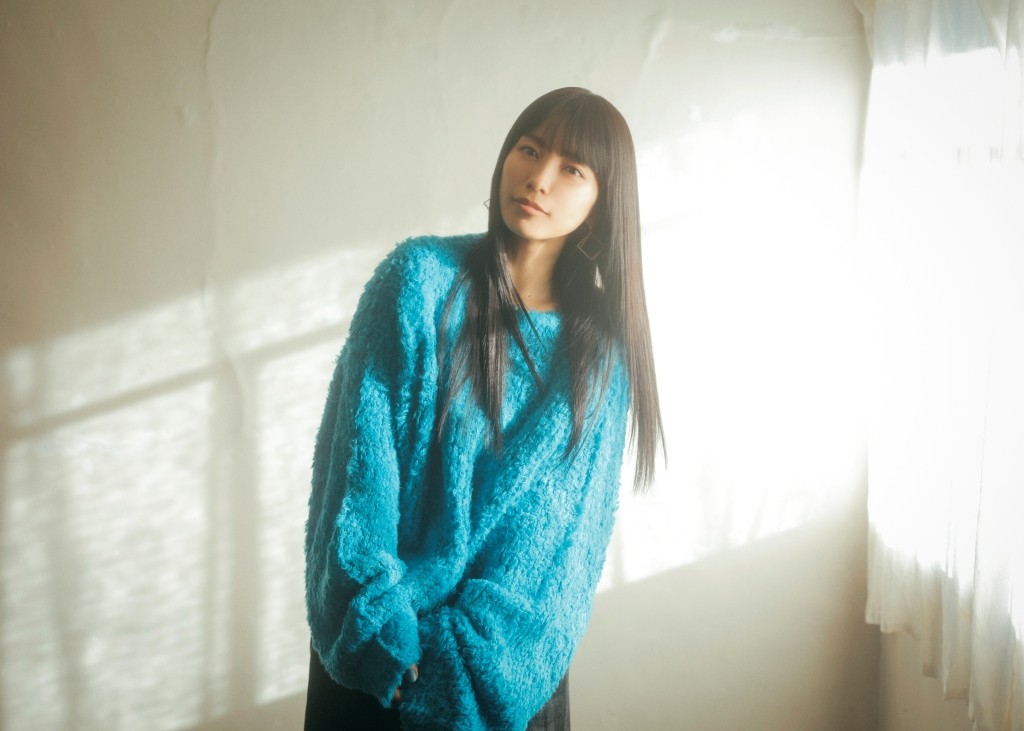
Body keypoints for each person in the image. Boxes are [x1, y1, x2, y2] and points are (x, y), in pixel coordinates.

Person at [304, 87, 664, 731]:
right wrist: (384, 633)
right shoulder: (417, 280)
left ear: (603, 204)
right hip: (379, 662)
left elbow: (558, 547)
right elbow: (358, 476)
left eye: (572, 168)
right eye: (529, 148)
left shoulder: (598, 357)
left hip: (504, 675)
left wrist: (462, 665)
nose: (539, 177)